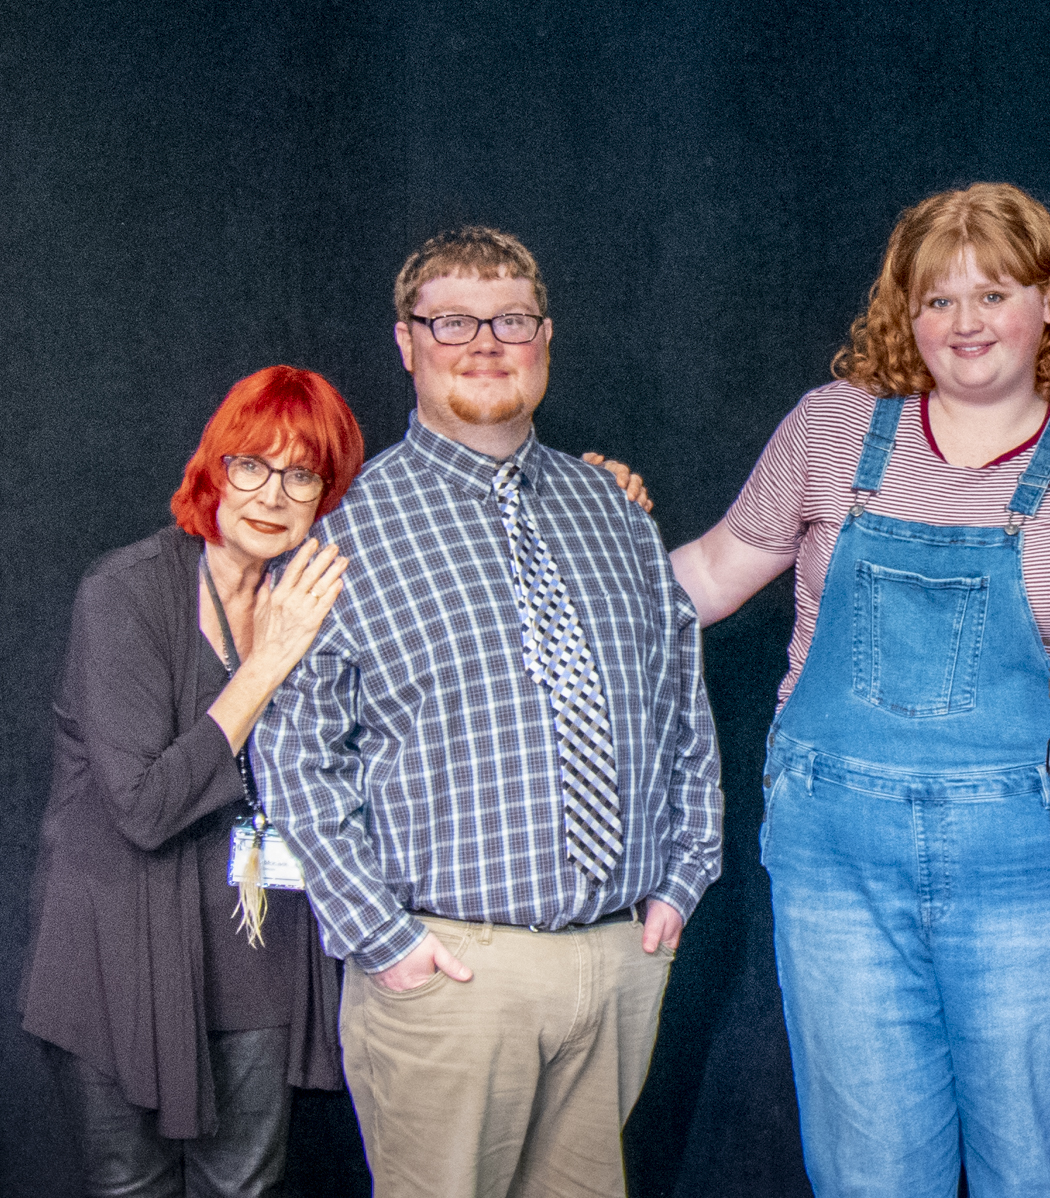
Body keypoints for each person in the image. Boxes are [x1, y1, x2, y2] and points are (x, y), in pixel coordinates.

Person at [670, 182, 1050, 1196]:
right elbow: (716, 571)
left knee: (1031, 1171)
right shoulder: (831, 427)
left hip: (1028, 871)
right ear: (905, 315)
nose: (963, 324)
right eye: (936, 300)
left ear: (1049, 305)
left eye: (992, 295)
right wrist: (573, 558)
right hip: (836, 867)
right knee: (867, 1176)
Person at [257, 226, 722, 1198]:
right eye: (451, 321)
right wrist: (383, 940)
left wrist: (683, 876)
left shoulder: (613, 510)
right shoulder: (349, 533)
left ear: (544, 335)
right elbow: (293, 750)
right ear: (406, 342)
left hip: (617, 959)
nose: (483, 342)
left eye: (509, 319)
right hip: (448, 974)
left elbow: (680, 697)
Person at [19, 365, 363, 1197]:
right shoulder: (125, 593)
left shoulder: (322, 595)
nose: (272, 494)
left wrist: (600, 493)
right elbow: (144, 806)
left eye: (301, 473)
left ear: (327, 492)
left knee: (242, 1189)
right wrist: (270, 661)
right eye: (252, 464)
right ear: (215, 466)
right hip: (115, 952)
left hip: (257, 947)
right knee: (130, 1188)